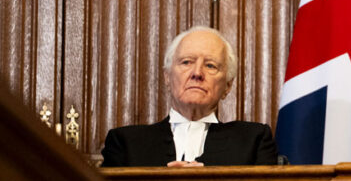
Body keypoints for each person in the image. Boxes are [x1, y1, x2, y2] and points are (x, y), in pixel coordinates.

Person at [101, 26, 278, 167]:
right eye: (186, 62)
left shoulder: (253, 140)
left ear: (228, 86)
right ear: (167, 77)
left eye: (210, 66)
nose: (197, 73)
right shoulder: (126, 143)